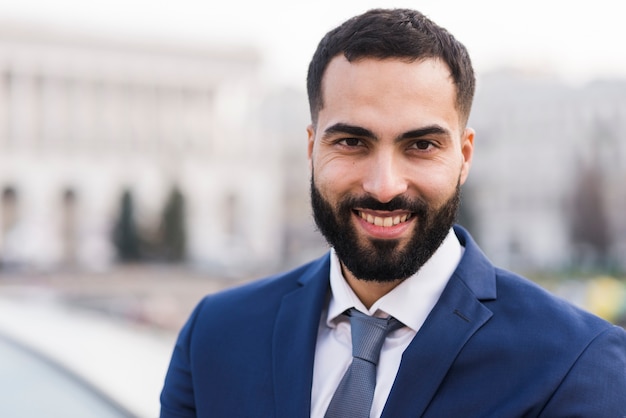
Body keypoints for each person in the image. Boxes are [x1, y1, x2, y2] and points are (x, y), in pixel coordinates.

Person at [160, 8, 626, 417]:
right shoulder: (215, 336)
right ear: (311, 148)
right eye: (351, 142)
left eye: (421, 145)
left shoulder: (577, 363)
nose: (384, 186)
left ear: (464, 157)